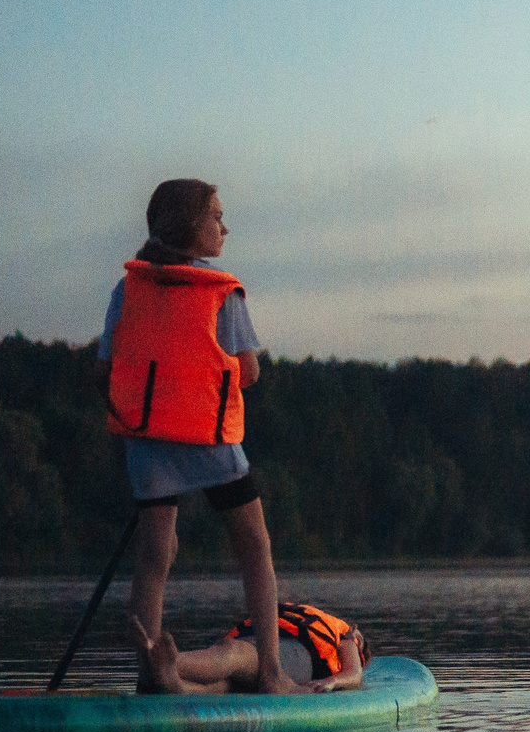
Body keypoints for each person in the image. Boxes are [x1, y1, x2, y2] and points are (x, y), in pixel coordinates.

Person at [95, 178, 296, 694]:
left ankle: (149, 676)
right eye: (216, 217)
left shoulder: (128, 289)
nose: (224, 228)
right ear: (190, 226)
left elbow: (105, 370)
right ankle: (272, 673)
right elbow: (249, 372)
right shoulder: (221, 292)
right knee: (254, 546)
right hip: (210, 439)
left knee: (154, 557)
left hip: (149, 444)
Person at [129, 602, 368, 695]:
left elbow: (354, 673)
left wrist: (330, 683)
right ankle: (176, 685)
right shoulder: (337, 629)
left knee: (233, 653)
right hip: (272, 641)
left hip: (297, 653)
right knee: (228, 685)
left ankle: (167, 662)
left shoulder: (349, 635)